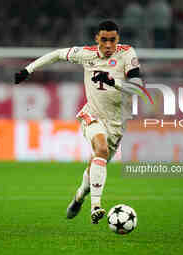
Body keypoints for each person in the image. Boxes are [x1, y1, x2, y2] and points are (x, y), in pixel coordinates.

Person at [14, 20, 149, 224]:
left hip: (116, 123)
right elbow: (57, 54)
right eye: (104, 40)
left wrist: (114, 82)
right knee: (101, 150)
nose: (108, 45)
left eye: (112, 40)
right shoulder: (86, 54)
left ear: (118, 39)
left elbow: (137, 87)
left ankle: (79, 197)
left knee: (96, 165)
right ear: (97, 39)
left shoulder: (127, 53)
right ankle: (96, 206)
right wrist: (28, 70)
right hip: (92, 115)